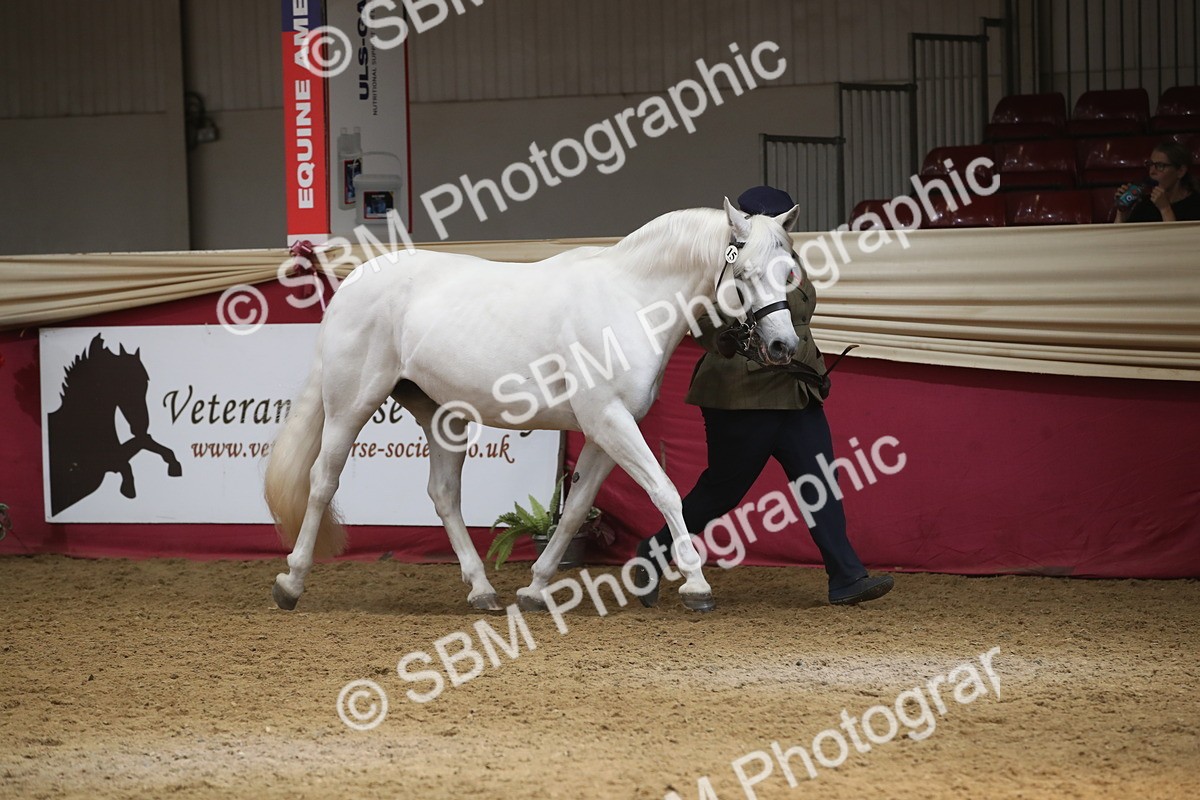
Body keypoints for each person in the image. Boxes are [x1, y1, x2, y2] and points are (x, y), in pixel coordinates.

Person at [632, 186, 894, 607]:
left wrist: (809, 367)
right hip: (742, 393)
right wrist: (729, 335)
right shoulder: (723, 261)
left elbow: (797, 318)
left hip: (796, 389)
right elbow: (701, 321)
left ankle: (846, 577)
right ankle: (656, 550)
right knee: (723, 491)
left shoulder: (787, 257)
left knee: (820, 483)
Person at [1113, 141, 1200, 223]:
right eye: (1151, 165)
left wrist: (1165, 209)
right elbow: (1118, 234)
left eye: (1160, 166)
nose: (1152, 171)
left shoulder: (1195, 204)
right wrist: (1122, 211)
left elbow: (1176, 234)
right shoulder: (1146, 203)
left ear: (1180, 171)